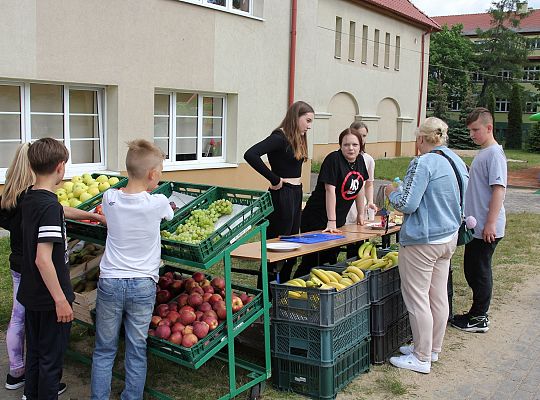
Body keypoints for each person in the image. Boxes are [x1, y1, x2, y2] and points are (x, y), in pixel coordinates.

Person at [0, 143, 106, 395]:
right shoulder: (46, 206)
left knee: (36, 354)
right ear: (60, 168)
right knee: (50, 361)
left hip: (31, 293)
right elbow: (43, 259)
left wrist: (99, 218)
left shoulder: (31, 198)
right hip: (50, 300)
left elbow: (60, 210)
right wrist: (61, 300)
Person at [90, 139, 174, 400]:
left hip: (111, 282)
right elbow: (169, 215)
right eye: (159, 171)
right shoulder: (157, 202)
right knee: (137, 347)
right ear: (152, 174)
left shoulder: (110, 197)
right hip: (142, 285)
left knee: (104, 348)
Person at [384, 117, 468, 374]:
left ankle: (421, 358)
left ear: (421, 139)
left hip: (423, 240)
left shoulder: (423, 162)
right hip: (448, 237)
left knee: (417, 298)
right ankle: (432, 348)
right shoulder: (456, 160)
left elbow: (407, 203)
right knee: (438, 296)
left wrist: (391, 192)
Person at [244, 101, 314, 283]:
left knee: (292, 247)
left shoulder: (297, 138)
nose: (309, 125)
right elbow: (250, 154)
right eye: (307, 120)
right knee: (277, 247)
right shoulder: (278, 137)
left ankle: (282, 289)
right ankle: (266, 293)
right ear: (296, 117)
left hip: (295, 193)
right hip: (282, 195)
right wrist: (274, 179)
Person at [451, 108, 506, 333]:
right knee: (472, 269)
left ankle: (479, 318)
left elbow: (498, 190)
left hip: (486, 227)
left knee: (480, 271)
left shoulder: (494, 154)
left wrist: (490, 223)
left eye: (475, 130)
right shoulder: (484, 153)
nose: (472, 134)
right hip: (477, 225)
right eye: (470, 130)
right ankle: (475, 313)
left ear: (489, 128)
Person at [293, 128, 370, 278]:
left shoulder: (360, 160)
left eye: (354, 144)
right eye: (346, 144)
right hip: (317, 218)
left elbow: (360, 187)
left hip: (338, 220)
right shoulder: (333, 159)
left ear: (360, 145)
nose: (351, 148)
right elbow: (330, 191)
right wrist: (331, 221)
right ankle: (294, 288)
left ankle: (322, 292)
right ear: (340, 145)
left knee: (330, 260)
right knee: (313, 261)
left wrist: (361, 214)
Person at [346, 122, 376, 224]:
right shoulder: (341, 158)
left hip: (360, 204)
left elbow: (369, 183)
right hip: (346, 203)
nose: (361, 138)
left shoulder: (368, 159)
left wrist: (370, 201)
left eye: (364, 136)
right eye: (359, 135)